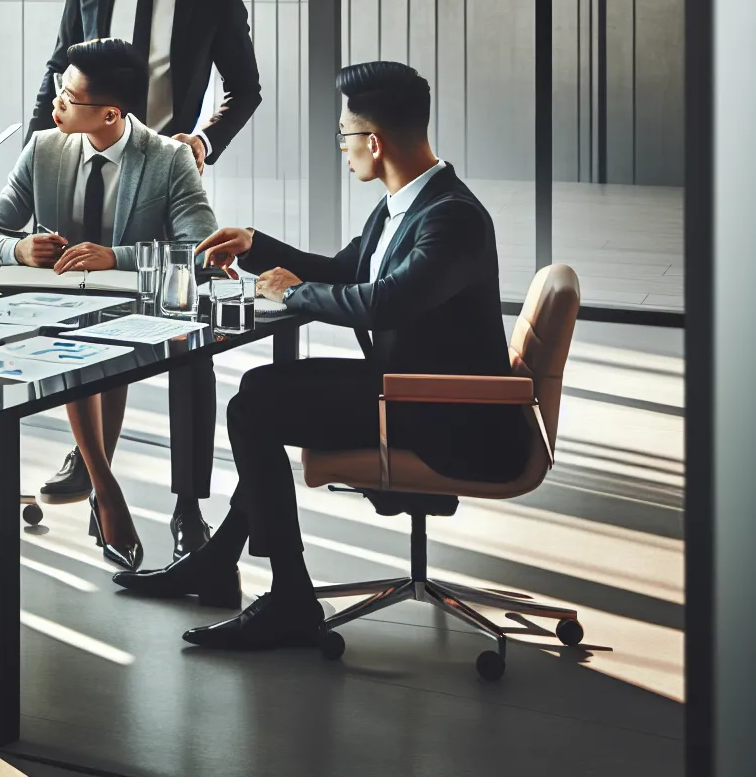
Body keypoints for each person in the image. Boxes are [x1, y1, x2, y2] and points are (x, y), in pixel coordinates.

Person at [112, 61, 530, 650]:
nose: (341, 148)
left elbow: (385, 302)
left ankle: (289, 597)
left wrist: (294, 292)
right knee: (259, 391)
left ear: (374, 142)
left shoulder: (451, 218)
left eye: (343, 136)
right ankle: (220, 562)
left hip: (447, 411)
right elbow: (345, 272)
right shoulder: (403, 205)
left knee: (256, 408)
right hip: (408, 388)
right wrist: (256, 248)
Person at [25, 0, 264, 549]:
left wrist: (202, 140)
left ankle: (187, 502)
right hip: (86, 166)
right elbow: (57, 69)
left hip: (163, 173)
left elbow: (243, 89)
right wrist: (47, 154)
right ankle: (91, 458)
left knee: (187, 341)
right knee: (81, 321)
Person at [0, 38, 217, 570]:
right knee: (73, 328)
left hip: (139, 311)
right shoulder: (43, 149)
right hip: (56, 310)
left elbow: (199, 246)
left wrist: (117, 257)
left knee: (190, 359)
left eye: (68, 97)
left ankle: (180, 506)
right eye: (59, 90)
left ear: (110, 112)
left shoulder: (169, 159)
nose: (54, 104)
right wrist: (19, 248)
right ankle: (104, 486)